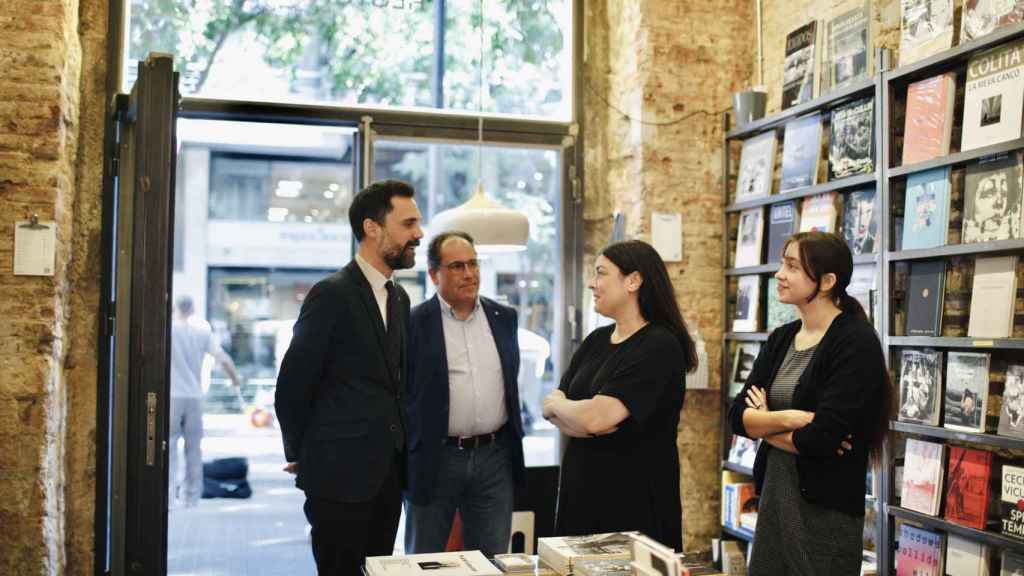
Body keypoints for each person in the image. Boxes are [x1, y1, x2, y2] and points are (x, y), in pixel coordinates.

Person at [274, 179, 424, 575]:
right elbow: (292, 385)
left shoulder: (401, 297)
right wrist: (300, 454)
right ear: (372, 228)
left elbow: (396, 385)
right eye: (408, 224)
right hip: (337, 478)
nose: (418, 234)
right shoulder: (331, 294)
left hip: (388, 477)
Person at [727, 231, 890, 576]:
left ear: (827, 281)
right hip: (773, 505)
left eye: (792, 267)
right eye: (782, 264)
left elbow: (821, 439)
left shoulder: (855, 342)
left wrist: (765, 421)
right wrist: (789, 418)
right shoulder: (782, 338)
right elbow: (737, 417)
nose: (779, 275)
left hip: (823, 515)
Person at [542, 239, 698, 550]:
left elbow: (596, 418)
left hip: (633, 507)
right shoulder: (596, 340)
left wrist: (573, 412)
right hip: (581, 500)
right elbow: (550, 406)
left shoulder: (658, 345)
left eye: (601, 273)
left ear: (634, 280)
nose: (591, 283)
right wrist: (577, 415)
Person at [403, 231, 525, 557]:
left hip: (494, 456)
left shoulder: (504, 318)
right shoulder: (412, 323)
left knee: (492, 559)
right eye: (457, 266)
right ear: (434, 275)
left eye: (473, 264)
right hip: (435, 457)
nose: (469, 274)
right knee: (423, 559)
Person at [169, 295, 242, 508]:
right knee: (194, 449)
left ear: (176, 308)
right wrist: (235, 381)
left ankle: (169, 497)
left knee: (169, 445)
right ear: (193, 309)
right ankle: (191, 498)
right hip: (194, 396)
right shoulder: (202, 332)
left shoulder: (169, 330)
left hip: (172, 396)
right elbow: (223, 358)